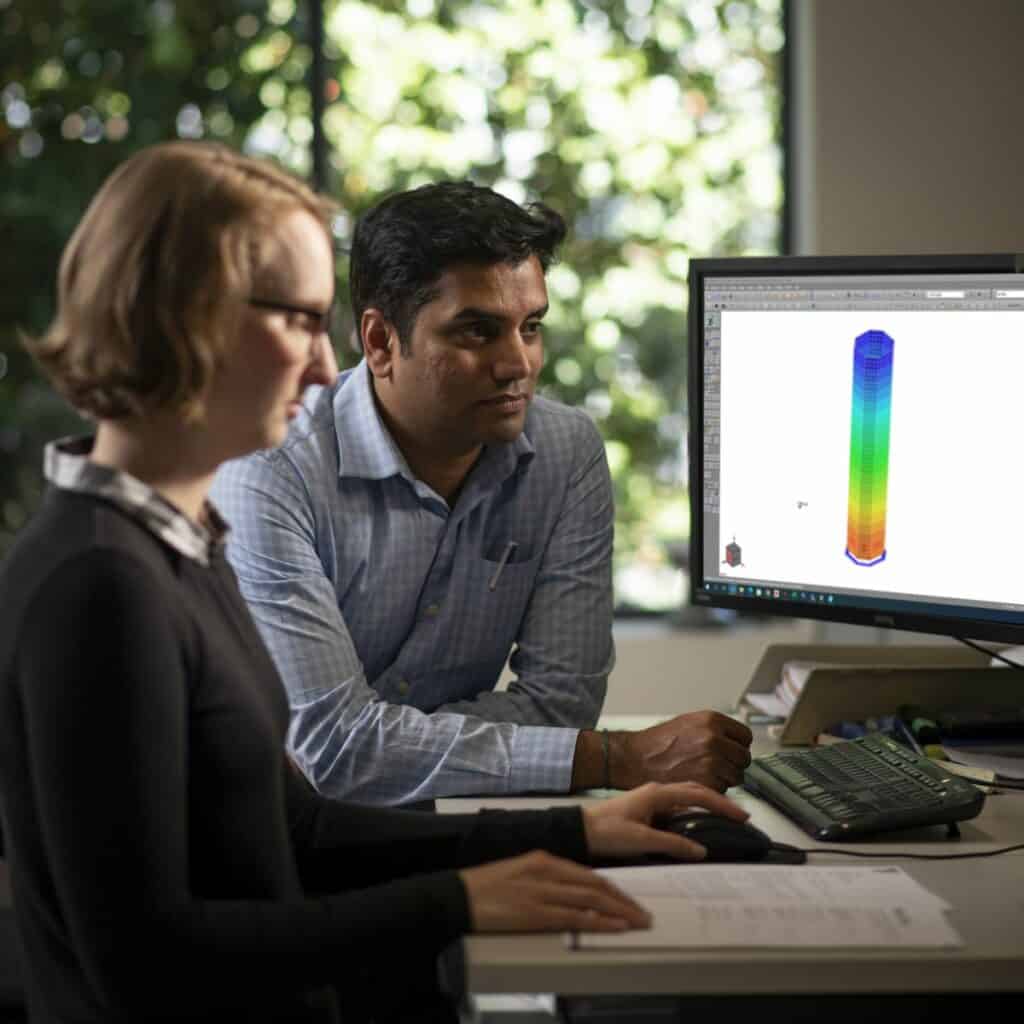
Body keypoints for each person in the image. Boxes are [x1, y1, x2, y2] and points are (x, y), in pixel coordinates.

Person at [0, 141, 750, 1023]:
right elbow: (147, 962)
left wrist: (575, 830)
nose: (326, 371)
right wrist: (459, 901)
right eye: (296, 321)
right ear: (184, 319)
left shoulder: (173, 544)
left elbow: (298, 828)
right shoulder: (100, 583)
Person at [211, 179, 753, 806]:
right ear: (381, 342)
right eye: (477, 332)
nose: (517, 363)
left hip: (454, 816)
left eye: (531, 327)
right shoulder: (269, 471)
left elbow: (561, 702)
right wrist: (615, 756)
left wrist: (400, 749)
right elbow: (338, 748)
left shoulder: (566, 454)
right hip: (263, 836)